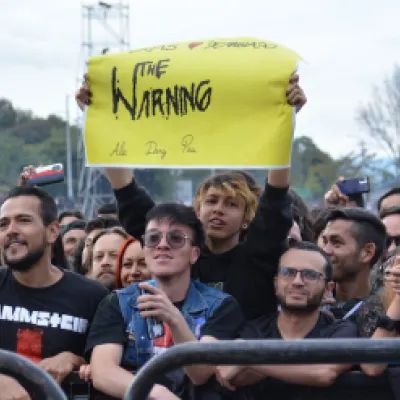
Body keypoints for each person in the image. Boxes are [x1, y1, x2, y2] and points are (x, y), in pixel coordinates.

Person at [85, 203, 244, 399]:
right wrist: (156, 393)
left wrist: (174, 319)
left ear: (194, 254)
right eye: (153, 238)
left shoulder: (221, 306)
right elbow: (103, 372)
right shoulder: (118, 302)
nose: (162, 245)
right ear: (145, 249)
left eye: (176, 238)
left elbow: (201, 373)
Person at [0, 186, 108, 398]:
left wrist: (75, 359)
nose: (11, 230)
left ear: (52, 232)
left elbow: (110, 364)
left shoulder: (93, 296)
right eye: (3, 224)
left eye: (23, 220)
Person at [216, 242, 357, 398]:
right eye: (288, 272)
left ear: (328, 289)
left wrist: (250, 356)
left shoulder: (341, 330)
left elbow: (324, 373)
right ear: (276, 284)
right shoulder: (255, 330)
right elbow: (233, 377)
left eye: (310, 275)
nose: (297, 281)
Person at [321, 208, 387, 336]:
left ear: (367, 252)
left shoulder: (387, 311)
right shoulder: (312, 302)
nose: (325, 250)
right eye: (324, 242)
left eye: (336, 242)